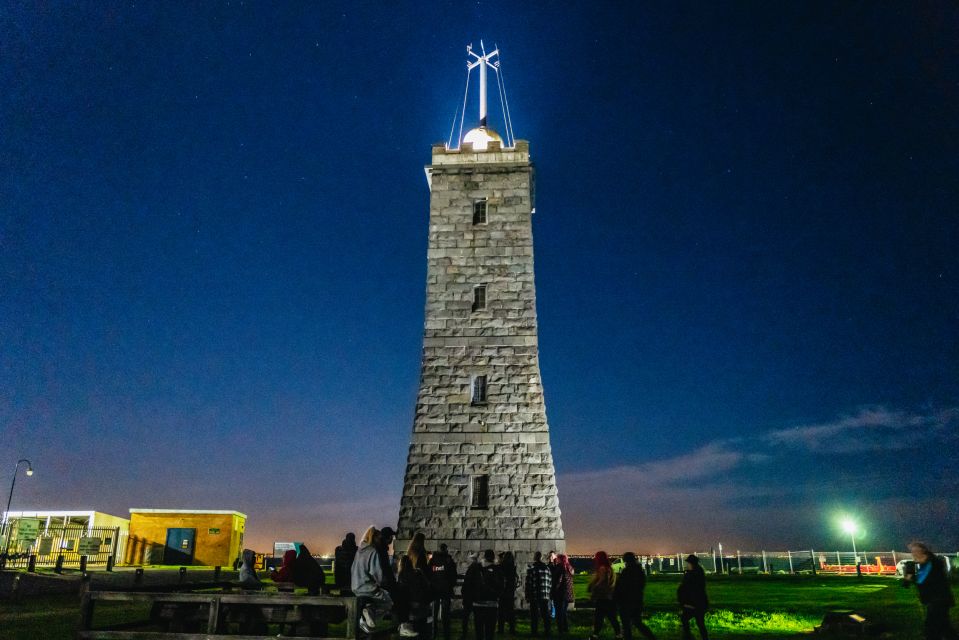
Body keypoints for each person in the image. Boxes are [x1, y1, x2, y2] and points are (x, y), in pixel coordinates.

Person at [903, 542, 958, 640]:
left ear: (924, 550)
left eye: (916, 550)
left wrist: (924, 559)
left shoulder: (935, 562)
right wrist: (908, 577)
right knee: (944, 625)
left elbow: (936, 576)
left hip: (940, 599)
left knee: (932, 626)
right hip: (931, 600)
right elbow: (911, 583)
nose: (914, 553)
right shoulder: (920, 566)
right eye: (912, 551)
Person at [615, 552, 655, 640]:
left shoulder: (626, 572)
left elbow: (622, 587)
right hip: (637, 600)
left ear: (626, 560)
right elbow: (641, 585)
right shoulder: (640, 571)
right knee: (638, 623)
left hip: (626, 602)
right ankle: (652, 637)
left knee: (626, 625)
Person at [464, 549, 501, 640]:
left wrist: (469, 599)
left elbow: (468, 584)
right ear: (493, 558)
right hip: (492, 604)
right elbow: (501, 587)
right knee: (490, 631)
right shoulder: (497, 569)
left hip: (478, 603)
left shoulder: (475, 568)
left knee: (479, 630)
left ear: (484, 557)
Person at [588, 551, 620, 640]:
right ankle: (618, 635)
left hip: (603, 597)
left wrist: (593, 588)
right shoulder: (610, 568)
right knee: (612, 617)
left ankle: (595, 635)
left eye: (596, 557)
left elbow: (601, 582)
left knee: (599, 617)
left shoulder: (602, 568)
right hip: (610, 597)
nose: (594, 559)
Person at [400, 554, 433, 638]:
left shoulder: (402, 575)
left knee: (413, 629)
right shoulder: (418, 572)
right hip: (422, 603)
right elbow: (427, 585)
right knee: (423, 628)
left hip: (411, 605)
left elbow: (403, 591)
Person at [429, 543, 457, 640]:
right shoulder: (448, 560)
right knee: (446, 614)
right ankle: (446, 635)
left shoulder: (432, 560)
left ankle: (433, 633)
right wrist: (451, 585)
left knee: (434, 613)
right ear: (446, 550)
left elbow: (429, 574)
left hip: (435, 590)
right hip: (446, 590)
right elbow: (454, 575)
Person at [677, 554, 708, 640]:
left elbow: (690, 588)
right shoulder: (698, 572)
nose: (687, 565)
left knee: (686, 619)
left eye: (688, 563)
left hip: (694, 603)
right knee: (700, 623)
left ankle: (688, 637)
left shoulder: (692, 574)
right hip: (699, 602)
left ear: (691, 563)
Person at [526, 551, 553, 637]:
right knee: (546, 615)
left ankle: (534, 632)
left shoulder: (532, 569)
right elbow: (550, 583)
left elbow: (528, 584)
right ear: (541, 558)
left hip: (534, 595)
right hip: (545, 596)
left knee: (534, 615)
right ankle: (547, 632)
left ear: (535, 557)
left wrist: (527, 595)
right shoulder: (547, 569)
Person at [551, 554, 574, 634]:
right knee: (563, 612)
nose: (556, 560)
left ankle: (560, 630)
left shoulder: (560, 568)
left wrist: (553, 591)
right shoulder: (569, 568)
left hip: (560, 594)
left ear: (560, 559)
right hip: (568, 594)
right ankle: (565, 628)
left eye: (557, 558)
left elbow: (558, 582)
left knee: (558, 613)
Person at [497, 551, 519, 635]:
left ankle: (500, 629)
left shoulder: (501, 567)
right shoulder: (512, 567)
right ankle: (512, 629)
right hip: (510, 592)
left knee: (501, 611)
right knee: (510, 611)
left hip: (502, 591)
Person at [461, 553, 480, 639]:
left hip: (469, 597)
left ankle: (464, 633)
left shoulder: (471, 569)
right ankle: (478, 634)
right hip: (475, 597)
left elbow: (467, 584)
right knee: (477, 618)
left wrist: (464, 593)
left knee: (466, 617)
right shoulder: (479, 569)